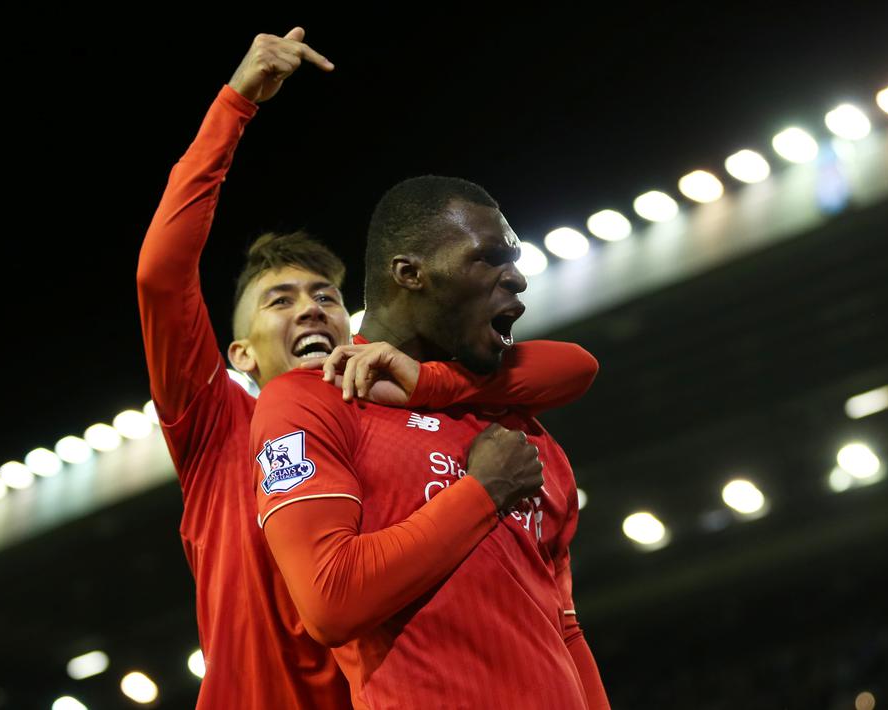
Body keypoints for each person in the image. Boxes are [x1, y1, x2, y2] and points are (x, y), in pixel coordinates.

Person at [138, 28, 600, 709]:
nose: (311, 309)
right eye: (280, 301)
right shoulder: (216, 426)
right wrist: (235, 105)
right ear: (239, 355)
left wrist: (427, 380)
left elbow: (570, 367)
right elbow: (161, 275)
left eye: (326, 297)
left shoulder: (377, 409)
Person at [251, 176, 611, 709]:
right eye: (489, 258)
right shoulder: (314, 398)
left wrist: (431, 383)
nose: (517, 278)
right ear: (410, 273)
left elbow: (565, 627)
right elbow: (330, 599)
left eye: (513, 259)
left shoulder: (517, 426)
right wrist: (482, 493)